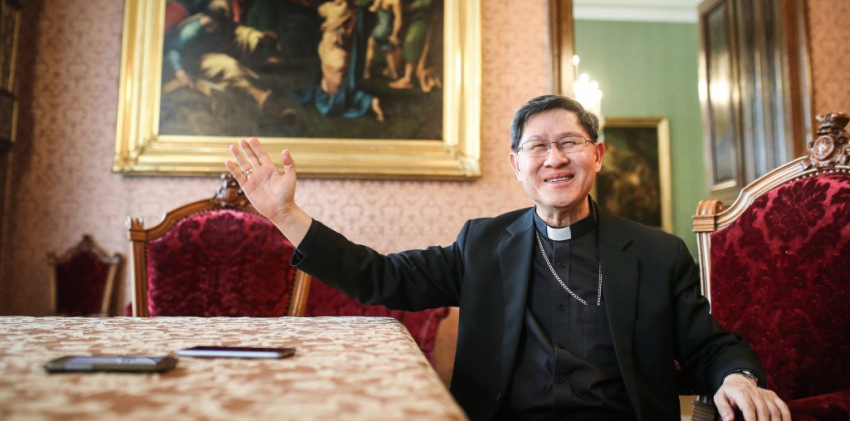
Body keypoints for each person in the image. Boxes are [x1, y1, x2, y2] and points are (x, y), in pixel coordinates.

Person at [225, 95, 790, 421]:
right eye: (537, 147)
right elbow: (382, 279)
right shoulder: (482, 244)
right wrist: (285, 215)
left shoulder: (656, 253)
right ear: (518, 166)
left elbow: (710, 345)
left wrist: (738, 378)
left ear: (597, 155)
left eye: (569, 143)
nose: (554, 159)